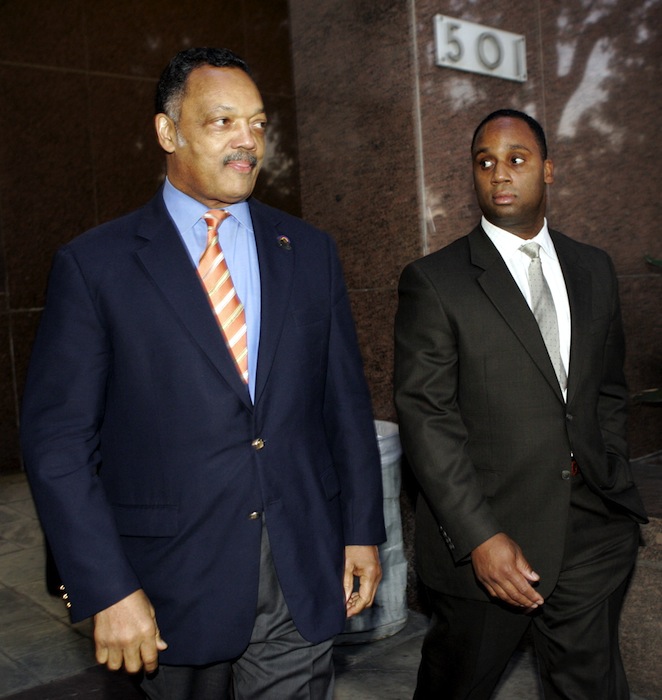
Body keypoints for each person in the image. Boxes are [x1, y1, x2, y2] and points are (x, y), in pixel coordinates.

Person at [21, 47, 385, 699]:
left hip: (299, 567)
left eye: (258, 123)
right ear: (168, 132)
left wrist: (361, 529)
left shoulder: (309, 252)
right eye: (223, 122)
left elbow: (344, 406)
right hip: (166, 591)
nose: (247, 140)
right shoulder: (95, 266)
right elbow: (58, 446)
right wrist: (107, 585)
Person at [394, 109, 647, 699]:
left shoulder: (593, 268)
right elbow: (428, 419)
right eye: (484, 162)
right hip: (493, 544)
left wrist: (610, 469)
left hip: (592, 527)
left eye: (516, 159)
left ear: (548, 170)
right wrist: (481, 537)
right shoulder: (436, 281)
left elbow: (608, 389)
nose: (499, 174)